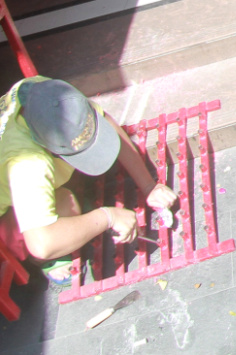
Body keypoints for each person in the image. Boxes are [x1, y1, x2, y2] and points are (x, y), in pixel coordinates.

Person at [0, 77, 177, 276]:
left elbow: (105, 121)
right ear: (47, 146)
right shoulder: (27, 164)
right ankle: (46, 262)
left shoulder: (44, 94)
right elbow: (42, 243)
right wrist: (108, 217)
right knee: (66, 204)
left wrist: (148, 186)